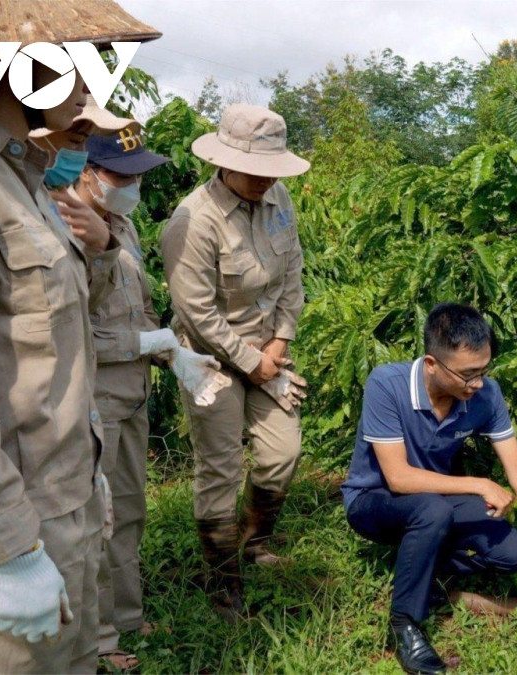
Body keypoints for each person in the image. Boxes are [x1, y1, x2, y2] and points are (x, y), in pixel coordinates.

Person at [0, 1, 161, 672]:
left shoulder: (27, 179)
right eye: (81, 62)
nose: (92, 87)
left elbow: (52, 352)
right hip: (3, 523)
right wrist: (13, 547)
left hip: (59, 502)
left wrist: (87, 483)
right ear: (30, 69)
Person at [342, 303, 517, 674]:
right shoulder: (387, 384)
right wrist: (479, 483)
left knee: (513, 552)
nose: (478, 383)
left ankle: (418, 560)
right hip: (375, 502)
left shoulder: (484, 395)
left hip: (435, 501)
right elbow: (398, 478)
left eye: (484, 370)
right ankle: (404, 624)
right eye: (469, 375)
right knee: (430, 510)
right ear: (432, 363)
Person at [69, 129, 231, 669]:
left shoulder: (124, 225)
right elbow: (64, 333)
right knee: (96, 520)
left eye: (139, 172)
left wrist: (174, 356)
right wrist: (147, 343)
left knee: (129, 512)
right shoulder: (67, 229)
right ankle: (98, 641)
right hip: (89, 401)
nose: (134, 183)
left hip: (130, 394)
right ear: (84, 171)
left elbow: (136, 311)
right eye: (121, 174)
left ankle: (127, 617)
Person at [159, 103, 310, 622]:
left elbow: (292, 271)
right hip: (208, 359)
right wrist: (252, 362)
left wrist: (280, 343)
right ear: (225, 163)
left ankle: (254, 540)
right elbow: (195, 313)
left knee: (281, 452)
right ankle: (223, 579)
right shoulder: (192, 220)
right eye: (256, 172)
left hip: (266, 353)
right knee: (220, 466)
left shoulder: (278, 198)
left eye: (273, 172)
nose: (266, 181)